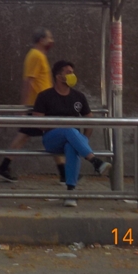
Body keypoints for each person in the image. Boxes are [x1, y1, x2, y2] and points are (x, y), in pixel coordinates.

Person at [32, 60, 112, 207]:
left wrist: (83, 140)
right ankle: (94, 160)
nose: (72, 75)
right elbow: (38, 122)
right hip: (51, 139)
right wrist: (61, 127)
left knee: (71, 146)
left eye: (72, 72)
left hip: (73, 139)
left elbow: (89, 120)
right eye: (68, 72)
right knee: (69, 129)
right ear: (58, 76)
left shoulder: (79, 97)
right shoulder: (45, 96)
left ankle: (71, 193)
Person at [0, 28, 66, 183]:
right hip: (38, 106)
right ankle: (64, 173)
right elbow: (29, 81)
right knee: (52, 134)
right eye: (49, 37)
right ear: (41, 39)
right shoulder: (35, 56)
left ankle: (4, 167)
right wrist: (24, 106)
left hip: (41, 105)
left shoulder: (39, 56)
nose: (52, 41)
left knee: (29, 135)